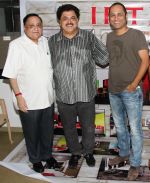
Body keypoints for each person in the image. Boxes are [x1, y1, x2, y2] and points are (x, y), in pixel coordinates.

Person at [48, 4, 109, 168]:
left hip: (85, 93)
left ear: (78, 20)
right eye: (65, 18)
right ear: (59, 21)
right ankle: (75, 152)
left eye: (72, 18)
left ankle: (88, 152)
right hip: (64, 94)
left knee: (88, 128)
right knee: (68, 128)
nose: (69, 21)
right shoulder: (52, 42)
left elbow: (104, 60)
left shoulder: (88, 38)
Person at [2, 13, 59, 173]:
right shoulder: (17, 45)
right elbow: (11, 74)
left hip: (47, 97)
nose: (36, 28)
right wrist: (19, 96)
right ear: (25, 28)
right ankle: (35, 159)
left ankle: (47, 155)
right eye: (31, 25)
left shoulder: (45, 42)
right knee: (32, 133)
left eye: (38, 25)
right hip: (28, 99)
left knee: (47, 131)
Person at [106, 2, 149, 181]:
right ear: (109, 18)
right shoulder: (108, 37)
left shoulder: (136, 35)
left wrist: (133, 84)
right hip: (113, 91)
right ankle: (123, 153)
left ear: (126, 16)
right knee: (120, 128)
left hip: (130, 91)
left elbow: (145, 61)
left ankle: (135, 163)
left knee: (135, 131)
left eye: (119, 14)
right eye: (112, 15)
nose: (116, 18)